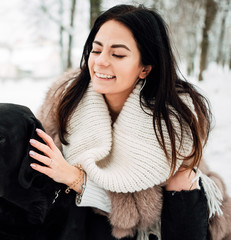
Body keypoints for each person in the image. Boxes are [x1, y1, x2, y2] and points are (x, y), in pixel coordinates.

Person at [29, 4, 231, 240]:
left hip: (170, 222)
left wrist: (76, 179)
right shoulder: (65, 99)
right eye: (96, 50)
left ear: (144, 68)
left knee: (182, 179)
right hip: (88, 221)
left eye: (118, 54)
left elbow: (147, 214)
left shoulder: (171, 119)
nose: (101, 62)